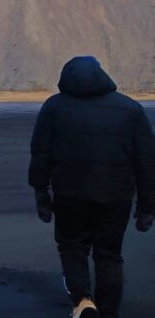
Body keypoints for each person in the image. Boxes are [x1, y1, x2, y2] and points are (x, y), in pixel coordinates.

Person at [29, 56, 155, 318]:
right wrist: (147, 207)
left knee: (72, 249)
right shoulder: (130, 109)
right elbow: (146, 162)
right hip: (115, 196)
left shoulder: (54, 107)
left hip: (69, 195)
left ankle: (83, 302)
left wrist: (41, 193)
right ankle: (108, 312)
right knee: (109, 255)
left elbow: (40, 153)